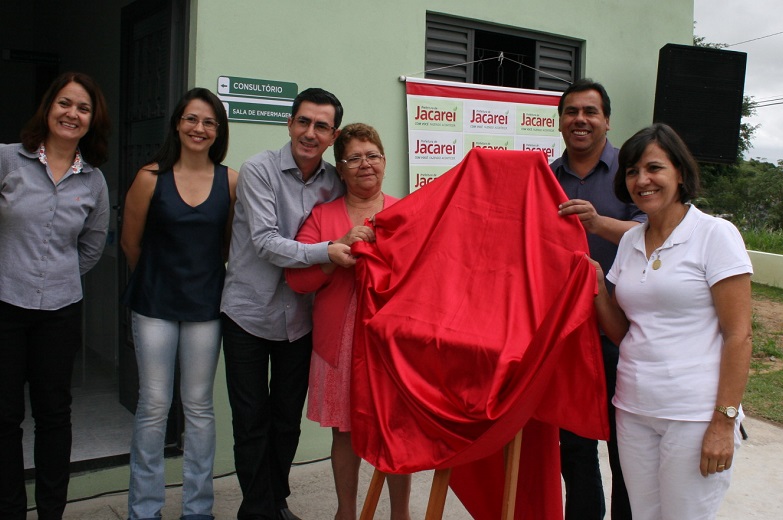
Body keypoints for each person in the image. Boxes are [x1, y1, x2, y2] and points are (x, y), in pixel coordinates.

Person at [591, 122, 752, 519]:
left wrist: (723, 422)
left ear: (680, 172)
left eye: (654, 168)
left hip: (694, 416)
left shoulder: (715, 235)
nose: (642, 180)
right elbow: (623, 331)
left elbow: (740, 336)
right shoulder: (630, 240)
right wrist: (594, 281)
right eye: (631, 171)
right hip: (633, 408)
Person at [220, 87, 354, 520]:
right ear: (290, 123)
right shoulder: (259, 170)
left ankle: (272, 502)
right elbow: (264, 243)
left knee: (286, 420)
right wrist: (327, 251)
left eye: (321, 126)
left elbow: (362, 210)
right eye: (303, 122)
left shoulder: (334, 181)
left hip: (300, 318)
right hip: (248, 314)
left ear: (333, 135)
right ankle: (258, 510)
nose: (309, 133)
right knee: (251, 419)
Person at [120, 87, 237, 520]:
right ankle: (144, 510)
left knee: (200, 407)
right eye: (192, 119)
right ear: (177, 123)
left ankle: (197, 509)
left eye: (209, 122)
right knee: (153, 405)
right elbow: (133, 245)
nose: (199, 128)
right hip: (154, 304)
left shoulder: (230, 181)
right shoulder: (149, 178)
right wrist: (164, 279)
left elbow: (225, 246)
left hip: (205, 308)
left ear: (218, 130)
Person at [285, 123, 410, 520]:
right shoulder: (322, 217)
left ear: (385, 162)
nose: (364, 165)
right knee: (345, 430)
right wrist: (336, 246)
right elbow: (297, 279)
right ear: (339, 169)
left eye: (372, 155)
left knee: (393, 428)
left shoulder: (405, 214)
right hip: (337, 340)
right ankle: (345, 512)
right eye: (353, 158)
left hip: (391, 340)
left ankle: (400, 514)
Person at [0, 71, 110, 520]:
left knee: (53, 415)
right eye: (65, 104)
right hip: (5, 305)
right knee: (4, 418)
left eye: (83, 108)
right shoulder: (8, 159)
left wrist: (55, 276)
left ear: (92, 120)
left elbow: (91, 246)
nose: (72, 114)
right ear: (48, 108)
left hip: (60, 311)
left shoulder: (93, 181)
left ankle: (50, 511)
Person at [550, 78, 643, 520]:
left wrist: (599, 223)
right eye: (571, 112)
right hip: (565, 338)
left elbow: (659, 233)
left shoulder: (633, 173)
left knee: (628, 450)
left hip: (625, 335)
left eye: (590, 112)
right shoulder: (545, 178)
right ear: (561, 120)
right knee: (574, 450)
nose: (580, 120)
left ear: (607, 120)